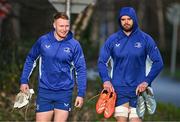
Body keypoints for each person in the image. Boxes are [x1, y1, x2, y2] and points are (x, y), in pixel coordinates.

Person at [98, 7, 163, 122]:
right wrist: (106, 80)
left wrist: (146, 81)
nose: (126, 22)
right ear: (120, 21)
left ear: (134, 19)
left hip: (139, 91)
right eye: (123, 19)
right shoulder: (112, 40)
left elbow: (158, 63)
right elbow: (101, 62)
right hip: (118, 90)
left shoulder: (145, 39)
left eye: (129, 19)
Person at [20, 12, 87, 122]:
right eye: (61, 26)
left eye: (67, 26)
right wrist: (24, 80)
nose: (64, 29)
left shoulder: (74, 45)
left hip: (64, 92)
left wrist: (81, 94)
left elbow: (81, 70)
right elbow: (30, 59)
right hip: (45, 91)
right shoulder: (43, 41)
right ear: (54, 25)